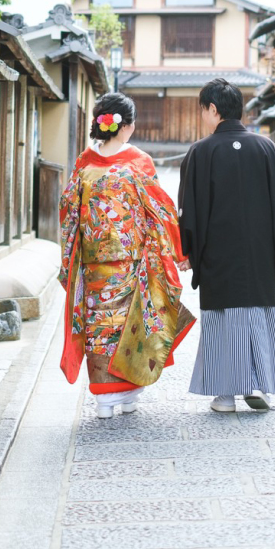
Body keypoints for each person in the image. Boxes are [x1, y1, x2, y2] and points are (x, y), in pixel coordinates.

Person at [178, 78, 275, 413]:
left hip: (216, 255)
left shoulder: (200, 152)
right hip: (259, 255)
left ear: (212, 109)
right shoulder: (267, 148)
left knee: (221, 319)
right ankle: (259, 386)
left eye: (203, 110)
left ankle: (224, 395)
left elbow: (189, 210)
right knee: (257, 314)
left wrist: (188, 251)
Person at [59, 92, 196, 419]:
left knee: (99, 326)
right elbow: (160, 211)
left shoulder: (84, 163)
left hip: (94, 267)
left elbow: (69, 214)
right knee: (129, 324)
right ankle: (130, 391)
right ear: (126, 125)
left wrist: (68, 263)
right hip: (131, 264)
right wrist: (178, 251)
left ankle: (103, 398)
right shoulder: (139, 161)